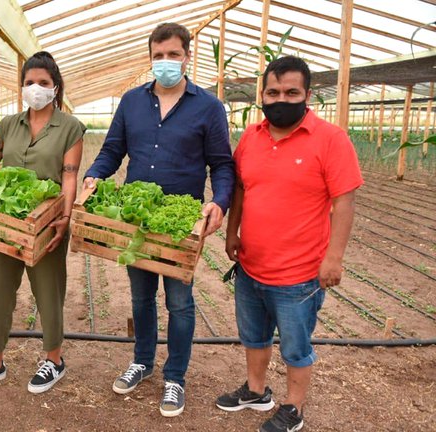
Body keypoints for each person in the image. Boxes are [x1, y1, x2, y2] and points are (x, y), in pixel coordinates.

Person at [83, 23, 234, 417]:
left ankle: (175, 378)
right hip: (138, 217)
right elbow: (112, 150)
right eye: (158, 55)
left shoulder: (208, 107)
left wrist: (219, 201)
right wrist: (94, 174)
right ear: (150, 57)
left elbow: (221, 165)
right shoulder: (132, 101)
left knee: (180, 302)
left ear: (187, 56)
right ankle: (142, 361)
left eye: (173, 54)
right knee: (140, 296)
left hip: (180, 221)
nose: (166, 62)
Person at [215, 55, 363, 432]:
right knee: (253, 336)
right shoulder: (251, 136)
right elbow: (242, 190)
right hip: (251, 264)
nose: (281, 99)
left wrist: (335, 258)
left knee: (295, 346)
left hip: (299, 275)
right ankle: (255, 390)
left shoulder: (330, 139)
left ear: (307, 94)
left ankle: (293, 408)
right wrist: (233, 232)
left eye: (291, 92)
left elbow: (344, 201)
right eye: (273, 92)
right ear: (262, 94)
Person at [0, 51, 85, 394]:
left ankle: (54, 360)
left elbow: (70, 176)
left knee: (48, 290)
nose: (35, 88)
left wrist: (65, 214)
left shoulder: (70, 128)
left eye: (43, 83)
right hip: (6, 222)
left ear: (55, 87)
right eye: (29, 82)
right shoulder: (8, 125)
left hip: (47, 222)